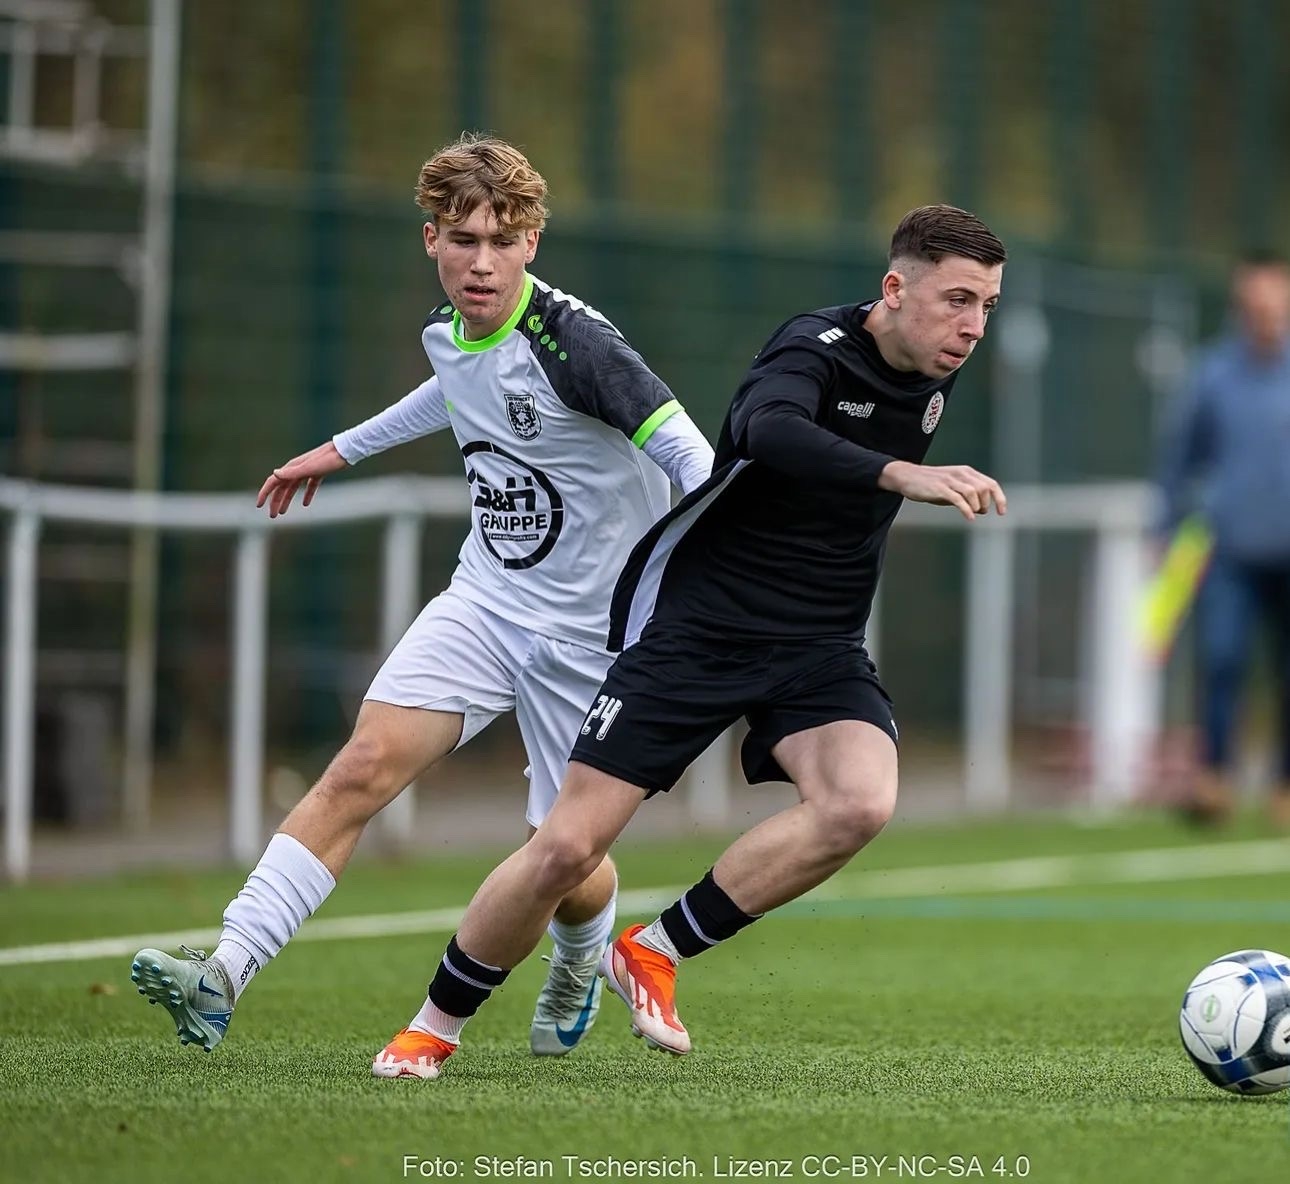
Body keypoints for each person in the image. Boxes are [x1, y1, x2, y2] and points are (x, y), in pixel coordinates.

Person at [130, 134, 714, 1071]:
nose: (482, 262)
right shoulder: (448, 330)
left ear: (531, 245)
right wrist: (342, 449)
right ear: (431, 238)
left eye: (503, 241)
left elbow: (692, 456)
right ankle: (224, 972)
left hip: (594, 635)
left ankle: (579, 957)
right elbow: (452, 387)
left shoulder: (579, 345)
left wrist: (706, 578)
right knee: (360, 767)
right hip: (484, 602)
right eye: (464, 240)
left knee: (562, 857)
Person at [388, 204, 1008, 1076]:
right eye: (958, 301)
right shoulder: (813, 349)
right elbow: (766, 431)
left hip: (818, 643)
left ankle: (654, 949)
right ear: (895, 289)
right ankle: (433, 1025)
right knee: (566, 849)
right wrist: (899, 472)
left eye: (987, 306)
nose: (974, 327)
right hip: (703, 630)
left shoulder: (933, 367)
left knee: (859, 802)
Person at [1156, 250, 1290, 827]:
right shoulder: (1211, 374)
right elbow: (1177, 460)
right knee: (1222, 658)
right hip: (1228, 549)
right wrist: (1163, 529)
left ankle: (1283, 785)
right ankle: (1214, 776)